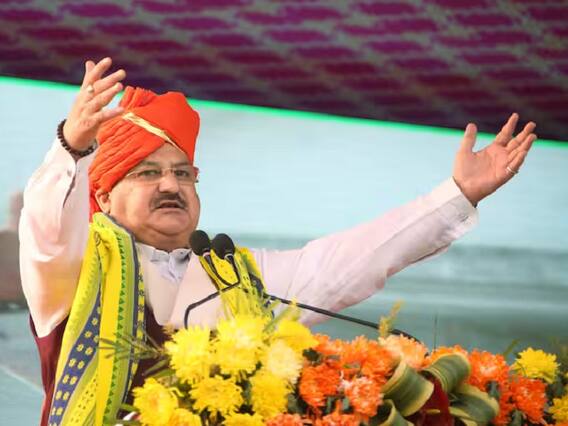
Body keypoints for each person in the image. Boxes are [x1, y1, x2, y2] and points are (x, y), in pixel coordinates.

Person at [19, 57, 536, 426]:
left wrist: (457, 195)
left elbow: (353, 260)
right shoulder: (74, 271)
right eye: (147, 172)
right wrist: (72, 145)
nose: (171, 185)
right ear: (103, 197)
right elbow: (46, 231)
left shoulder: (238, 276)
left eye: (183, 173)